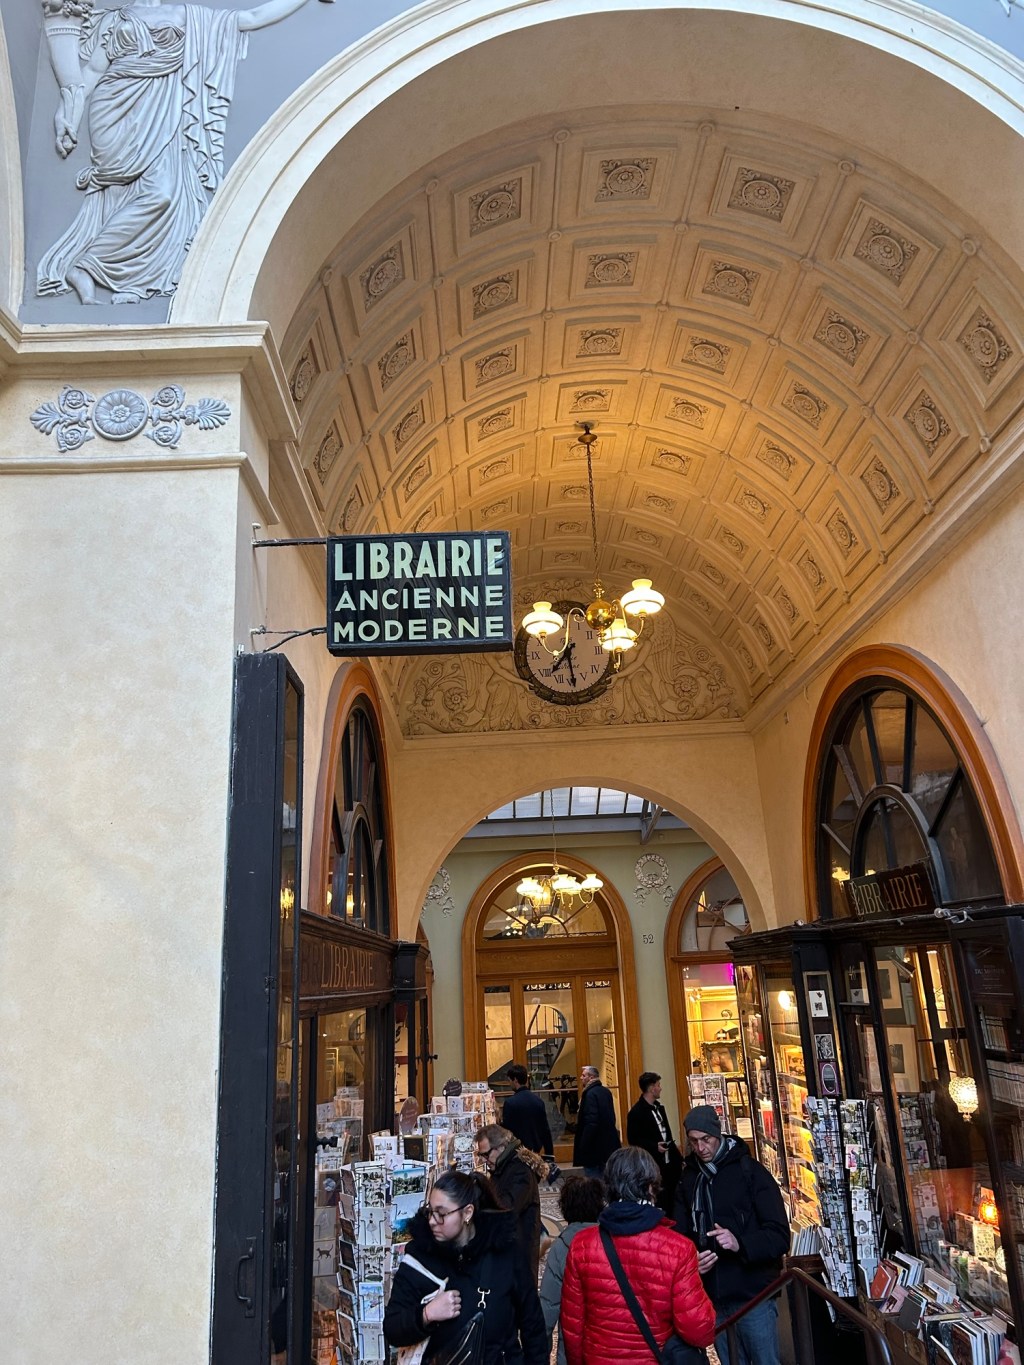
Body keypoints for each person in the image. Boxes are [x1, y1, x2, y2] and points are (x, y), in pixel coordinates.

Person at [38, 0, 314, 305]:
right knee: (129, 192)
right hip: (114, 108)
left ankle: (90, 266)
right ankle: (95, 270)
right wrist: (67, 114)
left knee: (163, 194)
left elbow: (252, 17)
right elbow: (91, 71)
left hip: (163, 114)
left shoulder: (190, 16)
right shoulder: (117, 18)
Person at [559, 1146, 716, 1365]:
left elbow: (572, 1326)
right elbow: (698, 1330)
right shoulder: (679, 1249)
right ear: (651, 1187)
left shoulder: (582, 1245)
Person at [383, 1169, 548, 1365]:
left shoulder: (505, 1253)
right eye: (430, 1211)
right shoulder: (419, 1259)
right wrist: (426, 1314)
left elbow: (533, 1326)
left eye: (441, 1214)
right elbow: (392, 1329)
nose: (432, 1221)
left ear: (467, 1213)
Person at [673, 1105, 790, 1365]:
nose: (701, 1147)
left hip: (753, 1295)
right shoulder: (689, 1179)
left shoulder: (751, 1172)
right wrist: (692, 1258)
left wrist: (741, 1244)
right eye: (694, 1141)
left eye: (706, 1139)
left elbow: (779, 1235)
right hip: (713, 1297)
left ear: (718, 1134)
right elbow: (680, 1235)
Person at [539, 1176, 605, 1365]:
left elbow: (548, 1307)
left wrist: (540, 1353)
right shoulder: (612, 1242)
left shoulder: (562, 1248)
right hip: (609, 1345)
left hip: (572, 1349)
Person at [474, 1123, 547, 1279]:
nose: (484, 1160)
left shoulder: (520, 1171)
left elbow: (507, 1208)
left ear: (501, 1147)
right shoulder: (503, 1165)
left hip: (520, 1249)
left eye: (486, 1155)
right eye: (481, 1155)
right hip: (511, 1246)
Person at [626, 1070, 681, 1213]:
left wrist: (678, 1158)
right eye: (658, 1085)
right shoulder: (636, 1113)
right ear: (651, 1088)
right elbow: (633, 1140)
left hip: (669, 1164)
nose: (660, 1088)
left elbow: (667, 1135)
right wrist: (653, 1146)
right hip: (653, 1165)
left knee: (673, 1198)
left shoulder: (659, 1108)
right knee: (660, 1199)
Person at [572, 1064, 621, 1178]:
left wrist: (583, 1143)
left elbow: (591, 1121)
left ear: (591, 1077)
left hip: (593, 1146)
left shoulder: (589, 1094)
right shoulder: (605, 1091)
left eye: (583, 1075)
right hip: (607, 1144)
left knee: (593, 1179)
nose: (581, 1078)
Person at [502, 1065, 555, 1158]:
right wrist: (549, 1153)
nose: (509, 1083)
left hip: (517, 1151)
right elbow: (545, 1129)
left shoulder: (510, 1103)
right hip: (535, 1150)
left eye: (510, 1080)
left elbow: (507, 1130)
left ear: (515, 1080)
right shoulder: (538, 1101)